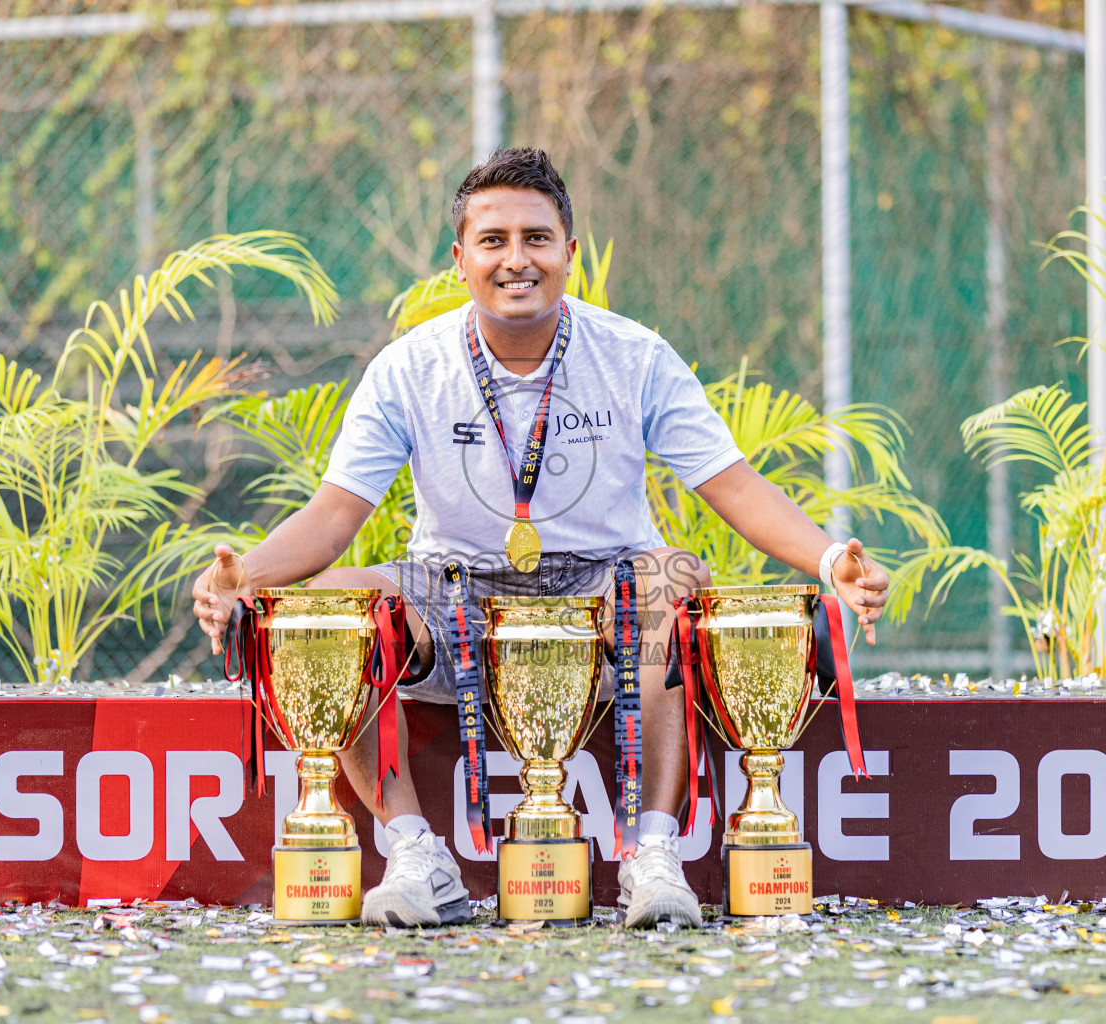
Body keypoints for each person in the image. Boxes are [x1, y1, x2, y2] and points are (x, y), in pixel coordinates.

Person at [191, 147, 889, 929]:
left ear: (569, 254)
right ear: (460, 259)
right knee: (323, 611)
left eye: (536, 238)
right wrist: (241, 577)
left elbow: (733, 485)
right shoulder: (408, 369)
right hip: (454, 591)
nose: (515, 259)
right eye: (493, 240)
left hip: (605, 591)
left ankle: (652, 858)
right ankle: (417, 854)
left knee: (669, 574)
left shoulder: (633, 354)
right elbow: (331, 518)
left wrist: (833, 560)